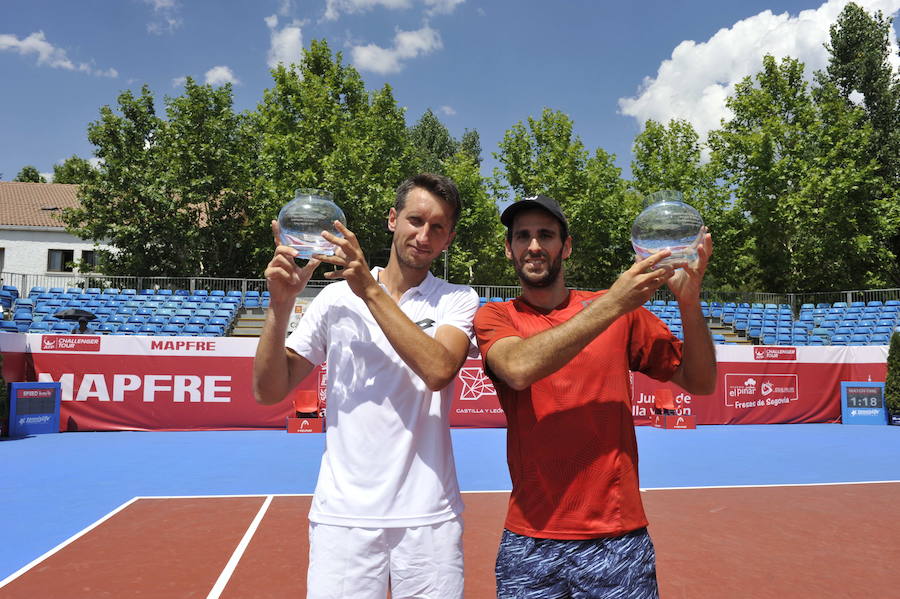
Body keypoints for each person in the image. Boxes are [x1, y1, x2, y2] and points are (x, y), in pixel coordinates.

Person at [474, 195, 717, 598]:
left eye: (546, 235)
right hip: (529, 540)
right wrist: (615, 302)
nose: (534, 245)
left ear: (566, 247)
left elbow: (701, 381)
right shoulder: (496, 316)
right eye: (523, 236)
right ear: (509, 248)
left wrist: (688, 302)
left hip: (617, 539)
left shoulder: (623, 312)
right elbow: (517, 369)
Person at [253, 173, 479, 599]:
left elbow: (438, 371)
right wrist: (279, 307)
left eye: (438, 227)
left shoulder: (457, 298)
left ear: (448, 238)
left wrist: (370, 291)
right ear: (392, 219)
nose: (423, 235)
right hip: (343, 519)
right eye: (415, 220)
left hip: (428, 518)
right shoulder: (334, 299)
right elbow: (269, 390)